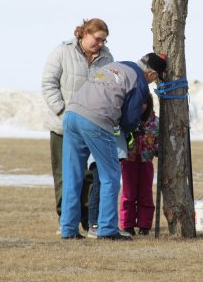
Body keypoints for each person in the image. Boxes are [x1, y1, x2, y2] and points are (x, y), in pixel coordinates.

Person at [59, 53, 167, 240]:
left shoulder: (117, 66)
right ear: (151, 74)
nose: (153, 82)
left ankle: (68, 230)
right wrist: (134, 128)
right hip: (96, 120)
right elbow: (129, 119)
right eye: (156, 78)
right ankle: (107, 230)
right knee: (110, 175)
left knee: (72, 175)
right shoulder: (139, 82)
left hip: (71, 114)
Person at [42, 18, 114, 234]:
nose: (100, 44)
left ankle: (88, 220)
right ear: (84, 34)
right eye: (97, 39)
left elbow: (109, 88)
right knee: (66, 175)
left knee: (91, 174)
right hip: (64, 126)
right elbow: (49, 84)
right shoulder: (62, 52)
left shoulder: (107, 58)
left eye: (103, 40)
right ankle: (65, 219)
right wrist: (63, 113)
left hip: (93, 125)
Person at [120, 94, 158, 236]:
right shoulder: (128, 120)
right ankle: (127, 224)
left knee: (145, 193)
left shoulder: (155, 122)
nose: (142, 106)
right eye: (140, 103)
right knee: (128, 193)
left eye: (145, 103)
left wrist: (158, 148)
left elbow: (159, 139)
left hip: (146, 161)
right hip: (129, 161)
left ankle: (145, 225)